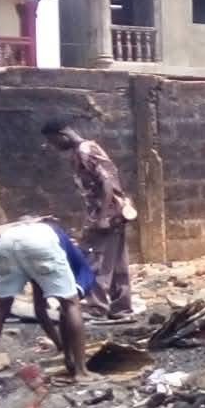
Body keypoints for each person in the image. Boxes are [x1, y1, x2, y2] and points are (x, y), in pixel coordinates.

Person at [0, 219, 90, 385]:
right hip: (40, 242)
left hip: (7, 239)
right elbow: (67, 309)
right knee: (71, 304)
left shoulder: (52, 241)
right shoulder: (82, 267)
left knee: (1, 307)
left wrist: (60, 345)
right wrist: (67, 353)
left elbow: (40, 310)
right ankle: (82, 372)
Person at [41, 121, 135, 318]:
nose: (53, 146)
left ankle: (96, 306)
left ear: (63, 134)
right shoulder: (86, 150)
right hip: (116, 213)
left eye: (52, 141)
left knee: (94, 259)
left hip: (107, 214)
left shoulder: (85, 151)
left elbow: (107, 183)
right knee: (117, 262)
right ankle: (122, 307)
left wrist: (102, 217)